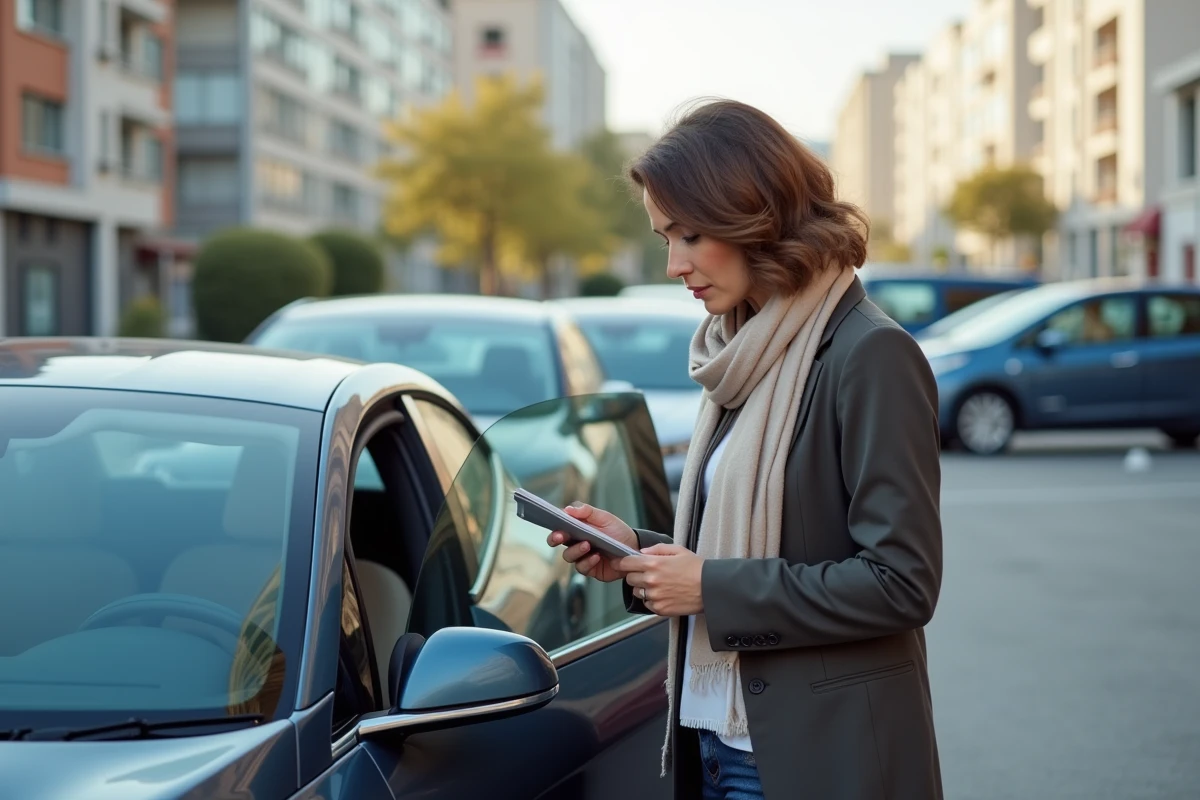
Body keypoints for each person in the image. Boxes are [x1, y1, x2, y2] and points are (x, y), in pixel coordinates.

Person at [547, 99, 944, 800]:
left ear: (755, 215)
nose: (673, 264)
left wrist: (710, 587)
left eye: (690, 235)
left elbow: (901, 582)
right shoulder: (744, 352)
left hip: (813, 757)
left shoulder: (868, 354)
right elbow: (747, 552)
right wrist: (637, 555)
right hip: (715, 742)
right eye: (664, 238)